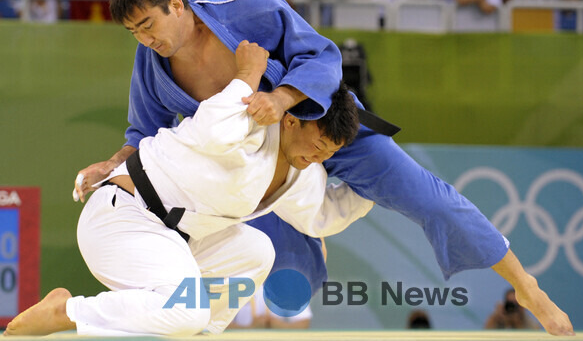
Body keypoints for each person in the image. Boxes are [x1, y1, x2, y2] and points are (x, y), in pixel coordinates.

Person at [72, 0, 574, 336]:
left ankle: (526, 285)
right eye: (134, 31)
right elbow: (144, 137)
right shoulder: (150, 64)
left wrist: (284, 96)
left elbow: (322, 55)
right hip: (264, 161)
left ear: (177, 4)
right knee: (282, 263)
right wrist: (110, 164)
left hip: (325, 122)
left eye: (149, 25)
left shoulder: (246, 7)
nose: (145, 38)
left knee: (429, 196)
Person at [5, 36, 372, 336]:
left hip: (174, 237)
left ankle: (200, 333)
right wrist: (247, 74)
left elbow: (323, 216)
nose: (318, 158)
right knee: (186, 308)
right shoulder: (244, 126)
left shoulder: (297, 170)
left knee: (257, 251)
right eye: (318, 147)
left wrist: (374, 189)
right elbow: (213, 126)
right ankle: (67, 311)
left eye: (329, 154)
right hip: (122, 221)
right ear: (293, 122)